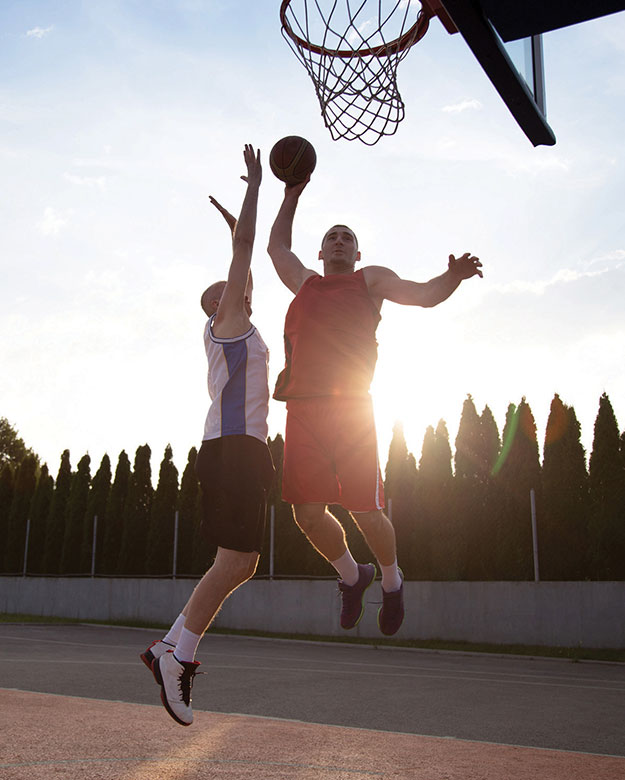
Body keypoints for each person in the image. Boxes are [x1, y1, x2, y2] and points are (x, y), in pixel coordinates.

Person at [267, 179, 482, 637]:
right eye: (331, 237)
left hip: (352, 409)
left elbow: (423, 294)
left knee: (364, 510)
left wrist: (453, 278)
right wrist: (292, 192)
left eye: (348, 237)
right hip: (303, 408)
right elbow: (276, 246)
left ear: (357, 254)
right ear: (321, 253)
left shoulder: (371, 280)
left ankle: (390, 580)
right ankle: (352, 576)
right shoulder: (304, 283)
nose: (339, 241)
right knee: (305, 514)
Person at [140, 144, 274, 726]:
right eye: (223, 288)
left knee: (240, 561)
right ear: (215, 307)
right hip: (233, 450)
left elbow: (245, 263)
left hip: (243, 451)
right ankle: (178, 655)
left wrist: (234, 235)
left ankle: (167, 648)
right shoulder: (227, 325)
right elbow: (246, 255)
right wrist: (254, 188)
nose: (237, 287)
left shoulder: (242, 324)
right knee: (240, 557)